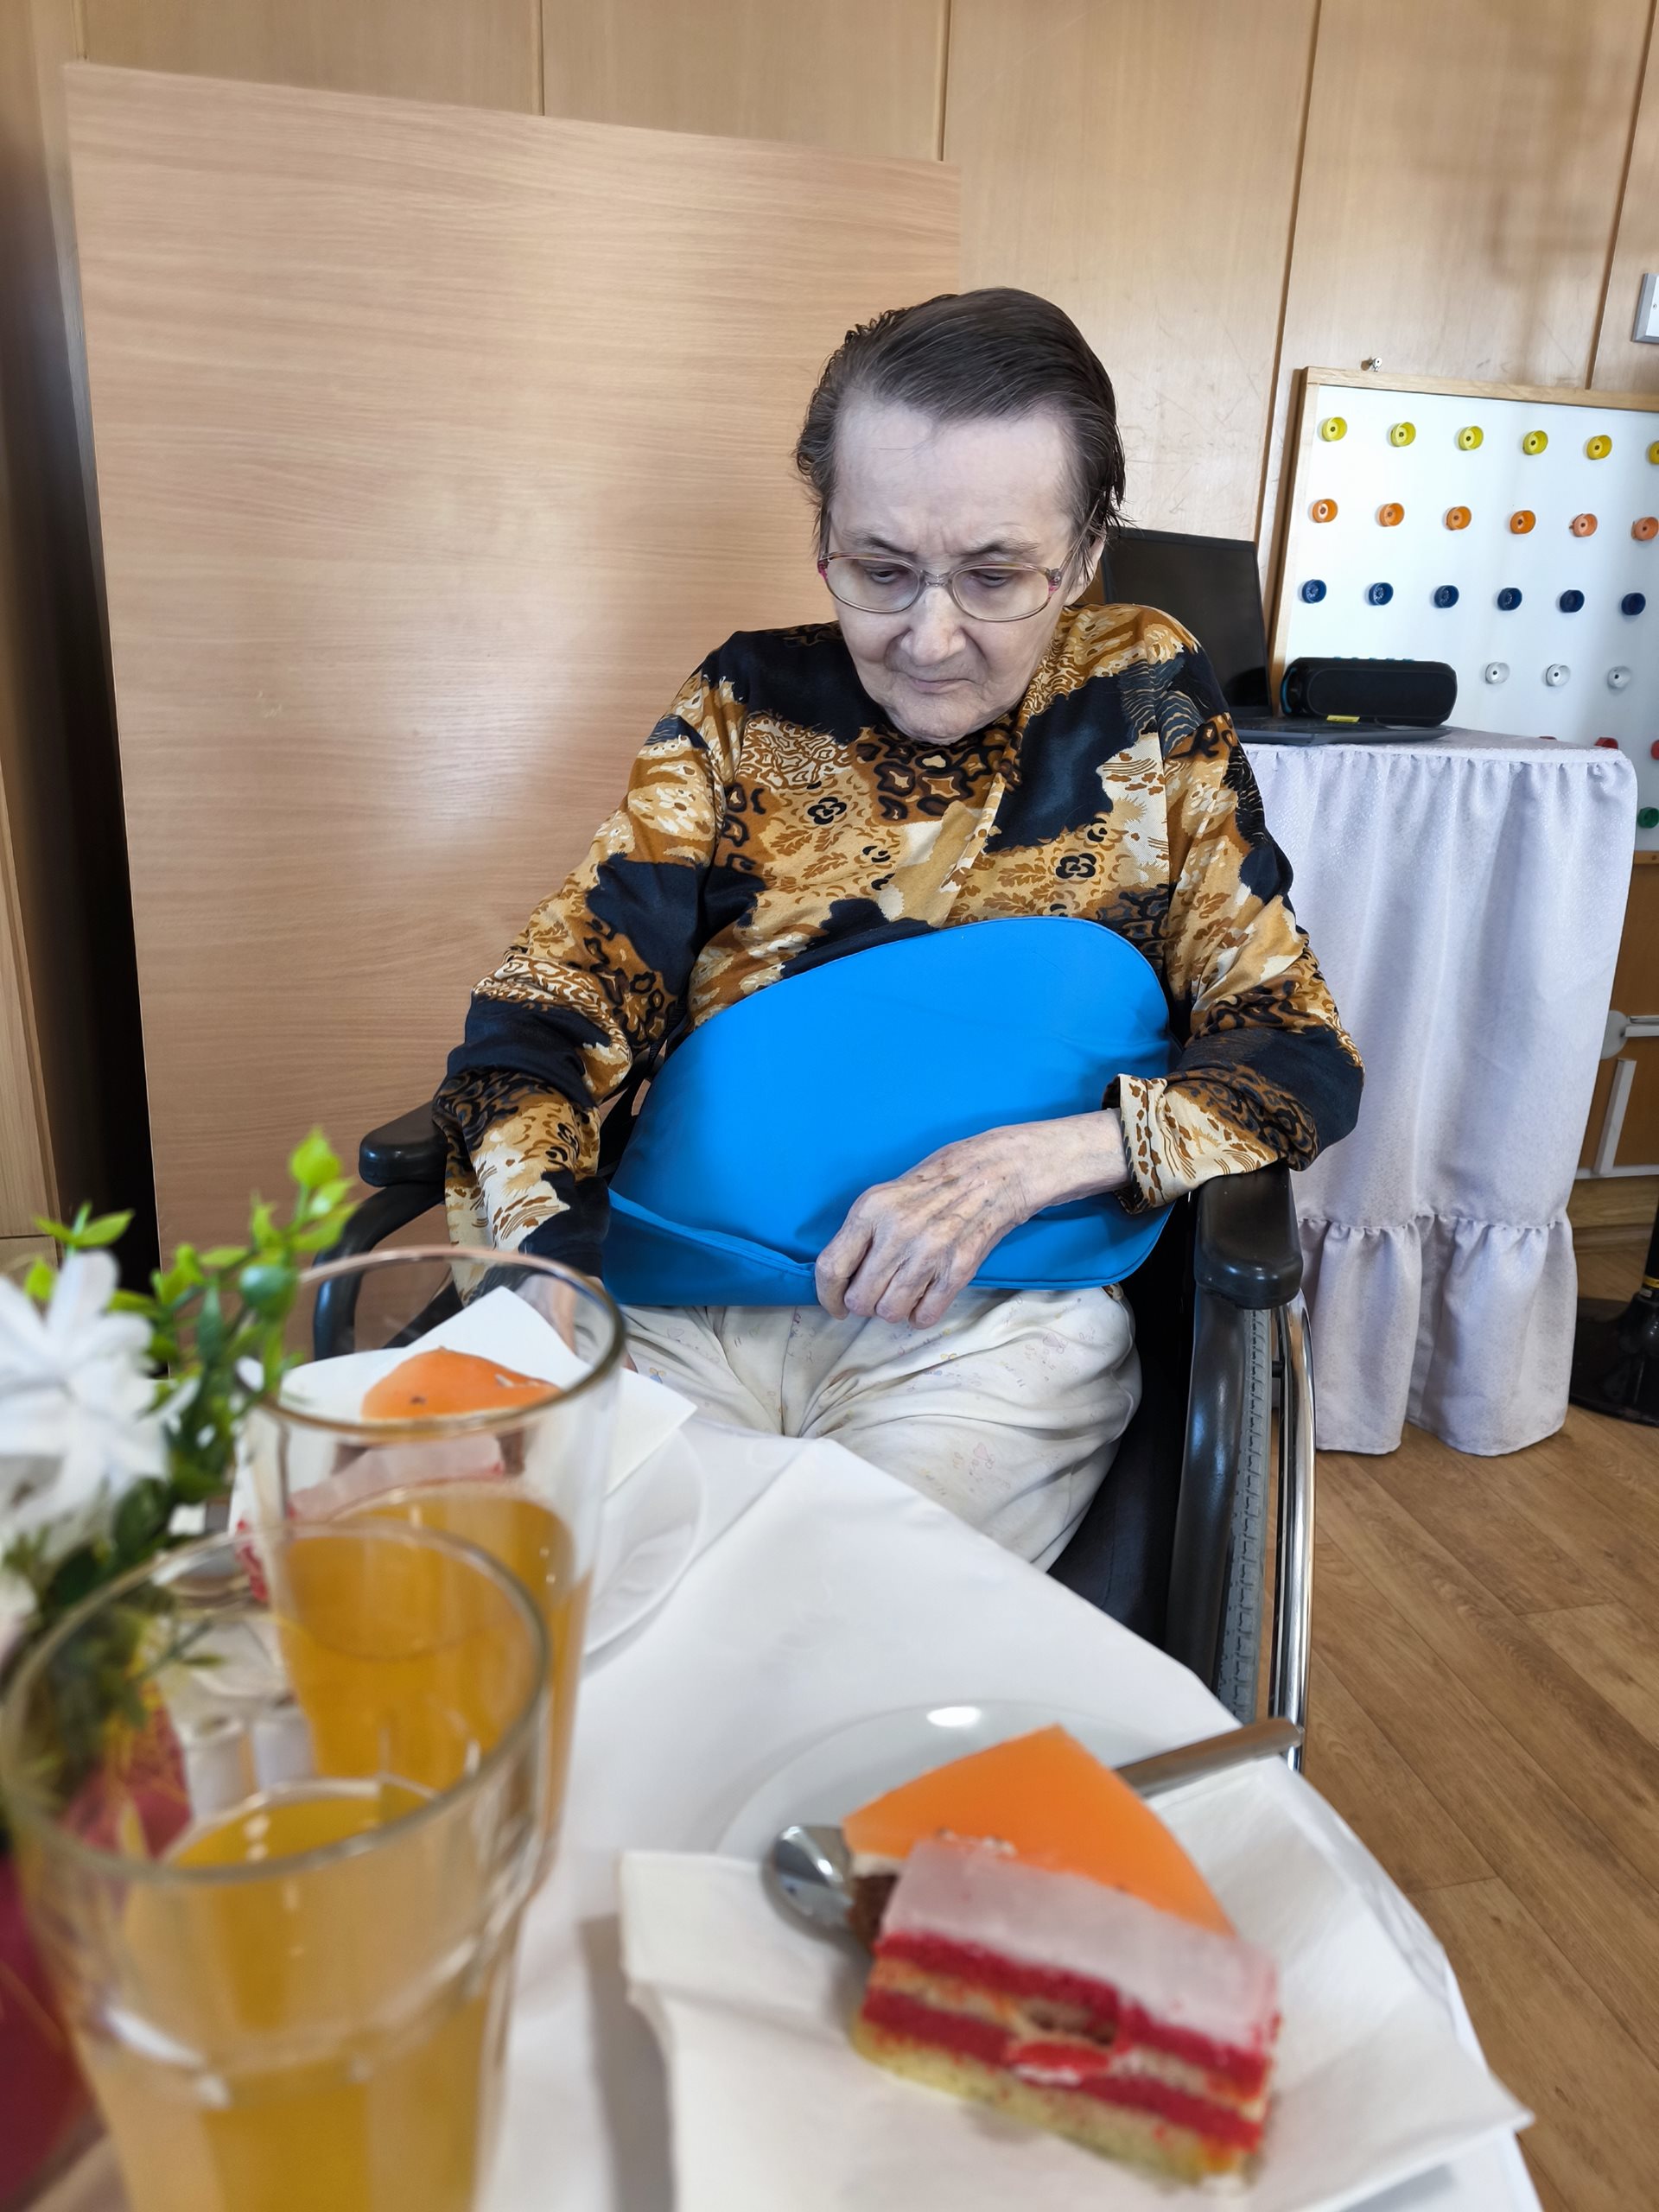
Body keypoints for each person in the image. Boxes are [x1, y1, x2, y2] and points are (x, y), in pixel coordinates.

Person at [438, 288, 1361, 1566]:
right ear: (824, 534)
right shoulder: (744, 702)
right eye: (879, 571)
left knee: (826, 1609)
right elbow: (550, 1008)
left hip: (992, 1322)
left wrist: (1037, 1163)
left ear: (1084, 552)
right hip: (672, 1297)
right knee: (535, 1600)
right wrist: (547, 1268)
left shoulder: (1142, 695)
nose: (930, 637)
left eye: (995, 576)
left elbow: (1296, 1048)